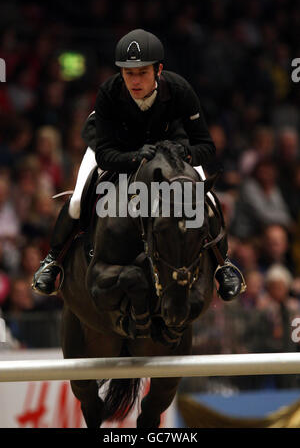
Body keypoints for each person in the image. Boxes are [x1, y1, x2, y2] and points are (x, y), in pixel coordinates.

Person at [32, 29, 244, 302]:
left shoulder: (179, 89)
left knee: (206, 199)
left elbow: (207, 147)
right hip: (116, 147)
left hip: (170, 149)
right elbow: (106, 155)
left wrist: (185, 154)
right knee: (77, 201)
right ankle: (53, 261)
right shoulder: (109, 92)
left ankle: (223, 264)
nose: (135, 80)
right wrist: (135, 157)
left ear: (159, 70)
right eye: (128, 73)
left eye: (142, 72)